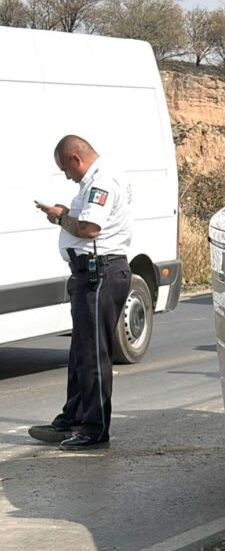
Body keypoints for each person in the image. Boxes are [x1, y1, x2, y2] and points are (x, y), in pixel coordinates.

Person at [30, 136, 133, 450]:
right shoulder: (94, 181)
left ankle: (95, 427)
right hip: (89, 273)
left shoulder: (102, 181)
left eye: (65, 168)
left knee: (93, 355)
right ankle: (72, 418)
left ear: (76, 158)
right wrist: (65, 214)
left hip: (99, 273)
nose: (66, 175)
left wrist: (61, 218)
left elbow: (90, 228)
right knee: (80, 354)